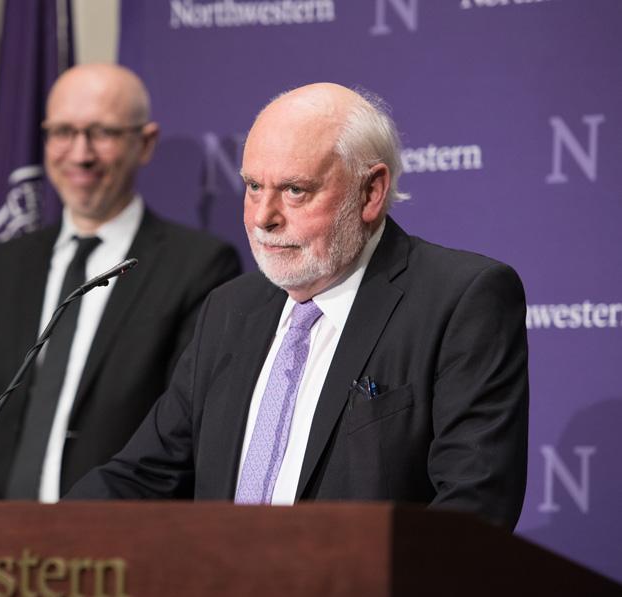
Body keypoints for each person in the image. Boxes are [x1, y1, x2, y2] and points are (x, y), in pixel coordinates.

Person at [66, 83, 529, 529]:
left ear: (370, 193)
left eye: (294, 190)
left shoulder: (460, 300)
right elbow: (144, 475)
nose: (263, 217)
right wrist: (32, 536)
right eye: (252, 186)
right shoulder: (229, 309)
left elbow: (473, 507)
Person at [0, 64, 241, 501]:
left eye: (102, 133)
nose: (80, 154)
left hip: (116, 545)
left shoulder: (199, 267)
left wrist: (85, 528)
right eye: (62, 132)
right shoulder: (0, 267)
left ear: (145, 143)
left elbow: (183, 429)